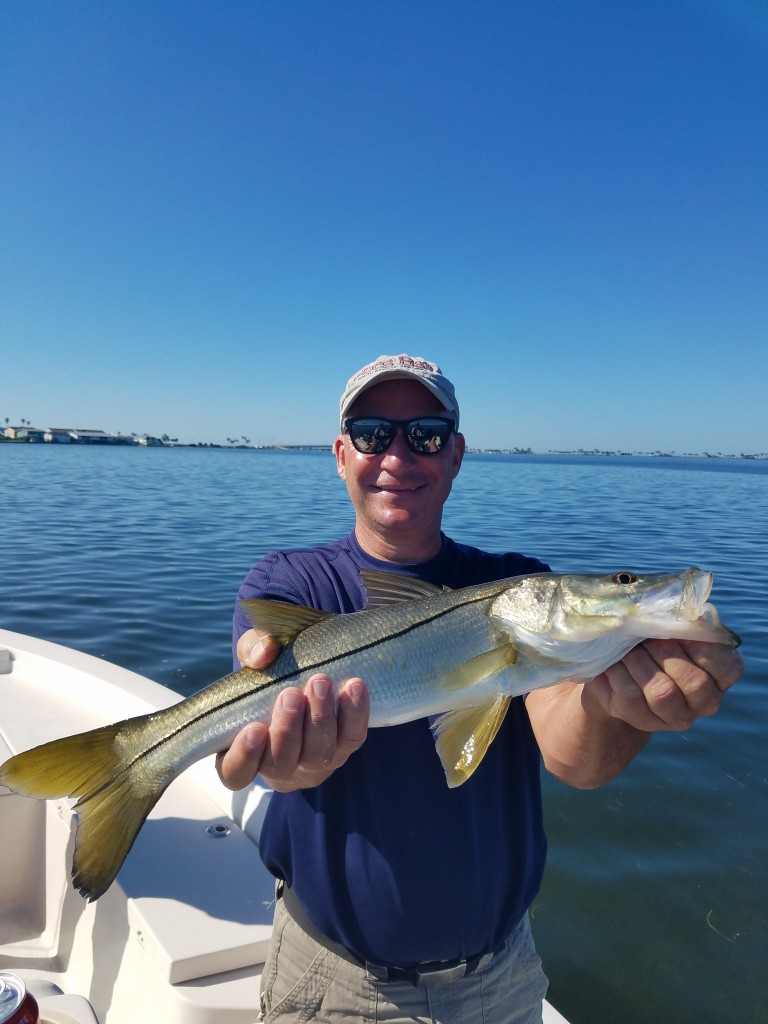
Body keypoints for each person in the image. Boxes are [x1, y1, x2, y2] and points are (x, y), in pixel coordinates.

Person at [217, 354, 742, 1024]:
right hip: (332, 982)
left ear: (457, 454)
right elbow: (268, 759)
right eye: (374, 434)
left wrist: (623, 708)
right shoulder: (290, 586)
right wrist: (289, 765)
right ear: (342, 454)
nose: (398, 456)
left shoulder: (519, 582)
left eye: (426, 435)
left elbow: (576, 755)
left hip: (503, 979)